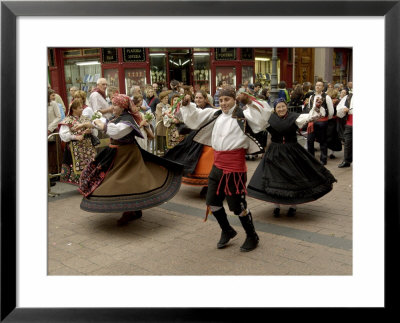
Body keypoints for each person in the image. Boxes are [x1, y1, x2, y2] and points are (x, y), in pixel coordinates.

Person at [179, 86, 271, 252]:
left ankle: (252, 235)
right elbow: (195, 117)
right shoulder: (215, 114)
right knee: (212, 202)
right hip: (217, 166)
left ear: (234, 99)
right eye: (220, 100)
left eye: (227, 99)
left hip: (235, 168)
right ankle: (227, 230)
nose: (223, 103)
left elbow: (263, 115)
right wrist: (187, 105)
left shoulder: (243, 115)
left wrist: (249, 101)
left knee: (237, 206)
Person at [78, 94, 183, 226]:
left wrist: (100, 123)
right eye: (113, 104)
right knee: (119, 181)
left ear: (122, 107)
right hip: (117, 154)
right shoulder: (118, 117)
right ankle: (133, 209)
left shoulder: (127, 120)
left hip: (127, 155)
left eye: (115, 105)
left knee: (128, 182)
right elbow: (106, 126)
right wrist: (91, 123)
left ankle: (130, 211)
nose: (112, 107)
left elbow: (115, 131)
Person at [247, 98, 337, 217]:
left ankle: (293, 206)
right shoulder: (269, 119)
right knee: (275, 178)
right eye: (278, 107)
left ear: (287, 107)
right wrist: (250, 105)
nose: (281, 109)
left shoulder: (295, 117)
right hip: (275, 151)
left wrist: (316, 108)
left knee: (293, 177)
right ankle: (276, 206)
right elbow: (255, 120)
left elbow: (311, 116)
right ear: (275, 109)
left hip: (292, 150)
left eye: (283, 106)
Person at [164, 90, 215, 197]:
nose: (198, 100)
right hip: (195, 139)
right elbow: (189, 121)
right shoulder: (196, 109)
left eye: (200, 98)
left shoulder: (209, 110)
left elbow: (195, 120)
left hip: (207, 141)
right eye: (196, 98)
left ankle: (209, 188)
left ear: (206, 99)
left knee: (207, 165)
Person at [58, 99, 98, 185]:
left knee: (90, 163)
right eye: (80, 108)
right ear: (74, 109)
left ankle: (89, 183)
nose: (82, 109)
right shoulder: (67, 120)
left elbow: (94, 130)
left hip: (88, 146)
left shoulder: (85, 119)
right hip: (75, 148)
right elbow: (63, 134)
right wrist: (75, 137)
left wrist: (90, 131)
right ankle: (81, 183)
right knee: (78, 166)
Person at [306, 81, 334, 165]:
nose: (317, 87)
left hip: (322, 121)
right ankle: (311, 159)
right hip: (312, 122)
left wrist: (325, 119)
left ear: (323, 87)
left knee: (322, 141)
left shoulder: (327, 97)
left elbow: (331, 111)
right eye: (316, 85)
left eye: (320, 85)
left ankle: (323, 159)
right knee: (310, 141)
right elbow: (309, 109)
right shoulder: (311, 96)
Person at [48, 89, 62, 179]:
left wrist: (49, 129)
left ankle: (55, 173)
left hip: (52, 131)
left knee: (54, 154)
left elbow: (58, 116)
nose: (54, 97)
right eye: (52, 95)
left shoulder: (53, 104)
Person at [337, 93, 353, 168]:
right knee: (347, 143)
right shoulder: (349, 96)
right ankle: (347, 161)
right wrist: (343, 109)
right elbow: (339, 108)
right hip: (349, 123)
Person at [155, 91, 170, 155]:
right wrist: (166, 116)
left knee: (166, 139)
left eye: (167, 98)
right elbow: (159, 115)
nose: (166, 100)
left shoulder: (168, 105)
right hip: (161, 125)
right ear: (161, 99)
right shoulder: (159, 105)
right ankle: (161, 151)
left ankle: (166, 152)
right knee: (161, 139)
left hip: (167, 125)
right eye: (165, 98)